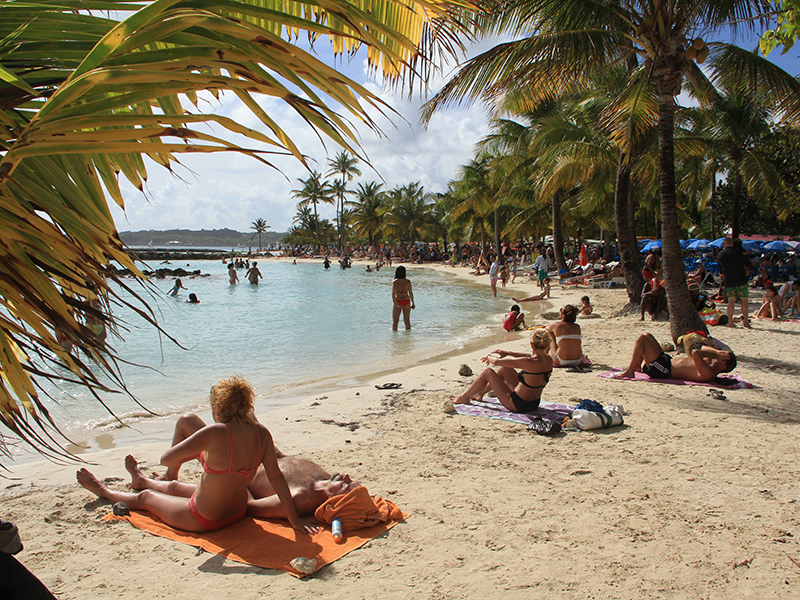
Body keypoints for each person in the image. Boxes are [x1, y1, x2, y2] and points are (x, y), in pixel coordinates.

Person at [76, 376, 319, 534]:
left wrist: (199, 450)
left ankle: (104, 491)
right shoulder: (261, 432)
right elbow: (277, 479)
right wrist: (295, 520)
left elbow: (166, 459)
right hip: (237, 511)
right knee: (173, 487)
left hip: (204, 518)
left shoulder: (214, 432)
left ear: (217, 406)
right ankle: (141, 480)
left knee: (147, 499)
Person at [133, 412, 362, 519]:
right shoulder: (324, 478)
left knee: (186, 421)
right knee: (242, 410)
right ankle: (170, 474)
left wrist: (234, 480)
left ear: (334, 502)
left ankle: (170, 475)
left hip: (239, 463)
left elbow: (250, 507)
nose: (347, 477)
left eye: (347, 486)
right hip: (271, 453)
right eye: (351, 481)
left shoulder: (302, 499)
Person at [450, 329, 553, 413]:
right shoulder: (548, 360)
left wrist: (488, 356)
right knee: (505, 369)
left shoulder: (528, 362)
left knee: (488, 372)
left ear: (531, 344)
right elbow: (531, 357)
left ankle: (464, 397)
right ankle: (479, 393)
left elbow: (496, 362)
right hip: (534, 404)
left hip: (517, 405)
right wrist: (508, 353)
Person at [613, 333, 736, 382]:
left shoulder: (708, 373)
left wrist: (716, 355)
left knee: (642, 339)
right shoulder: (708, 361)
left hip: (663, 370)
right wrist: (718, 352)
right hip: (667, 361)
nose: (717, 356)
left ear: (723, 365)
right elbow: (700, 348)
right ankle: (636, 366)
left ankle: (630, 372)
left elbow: (695, 353)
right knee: (648, 335)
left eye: (721, 357)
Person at [717, 237, 751, 328]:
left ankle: (730, 322)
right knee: (744, 300)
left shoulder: (721, 254)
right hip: (741, 279)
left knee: (731, 301)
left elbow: (720, 269)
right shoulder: (739, 252)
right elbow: (749, 264)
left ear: (724, 244)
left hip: (729, 280)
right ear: (732, 243)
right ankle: (746, 321)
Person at [392, 266, 415, 331]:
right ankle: (408, 335)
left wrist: (395, 302)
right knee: (407, 321)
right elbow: (410, 293)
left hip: (398, 300)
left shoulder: (395, 281)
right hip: (406, 300)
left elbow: (393, 293)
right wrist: (413, 303)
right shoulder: (408, 281)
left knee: (395, 321)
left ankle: (394, 336)